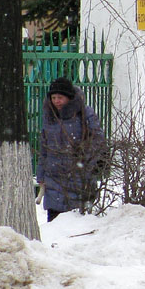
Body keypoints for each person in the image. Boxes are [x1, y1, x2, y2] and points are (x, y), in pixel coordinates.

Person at [36, 76, 107, 222]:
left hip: (78, 176)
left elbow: (97, 141)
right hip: (53, 176)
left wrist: (86, 162)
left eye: (60, 97)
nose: (56, 101)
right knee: (54, 223)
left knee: (75, 221)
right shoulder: (49, 116)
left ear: (69, 97)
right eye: (54, 97)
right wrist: (41, 175)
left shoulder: (84, 113)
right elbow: (44, 147)